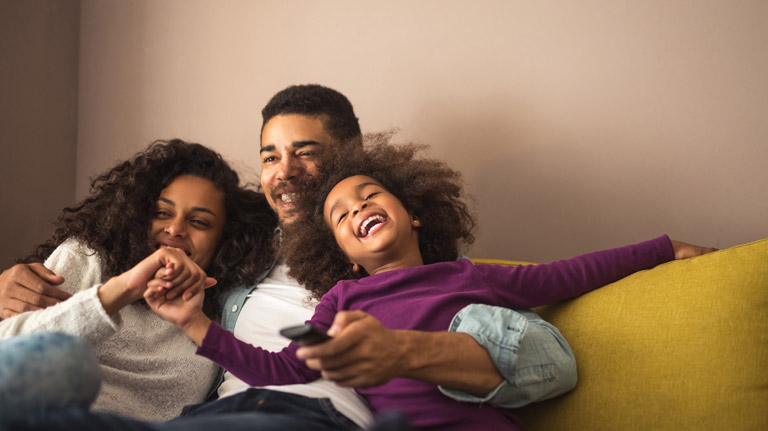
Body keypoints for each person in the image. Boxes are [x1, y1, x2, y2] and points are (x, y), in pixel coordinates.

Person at [0, 85, 592, 429]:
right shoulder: (238, 246)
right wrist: (14, 281)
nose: (282, 174)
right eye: (269, 156)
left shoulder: (399, 257)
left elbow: (545, 363)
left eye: (304, 153)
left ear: (352, 156)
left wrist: (400, 351)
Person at [143, 137, 715, 430]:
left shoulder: (467, 277)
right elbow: (283, 368)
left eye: (369, 195)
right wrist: (194, 322)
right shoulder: (344, 302)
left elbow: (568, 274)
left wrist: (664, 248)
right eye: (340, 215)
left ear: (412, 212)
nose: (357, 209)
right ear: (339, 254)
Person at [0, 139, 277, 421]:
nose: (176, 228)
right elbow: (9, 354)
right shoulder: (88, 257)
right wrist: (125, 288)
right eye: (162, 213)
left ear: (224, 240)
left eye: (199, 222)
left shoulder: (215, 316)